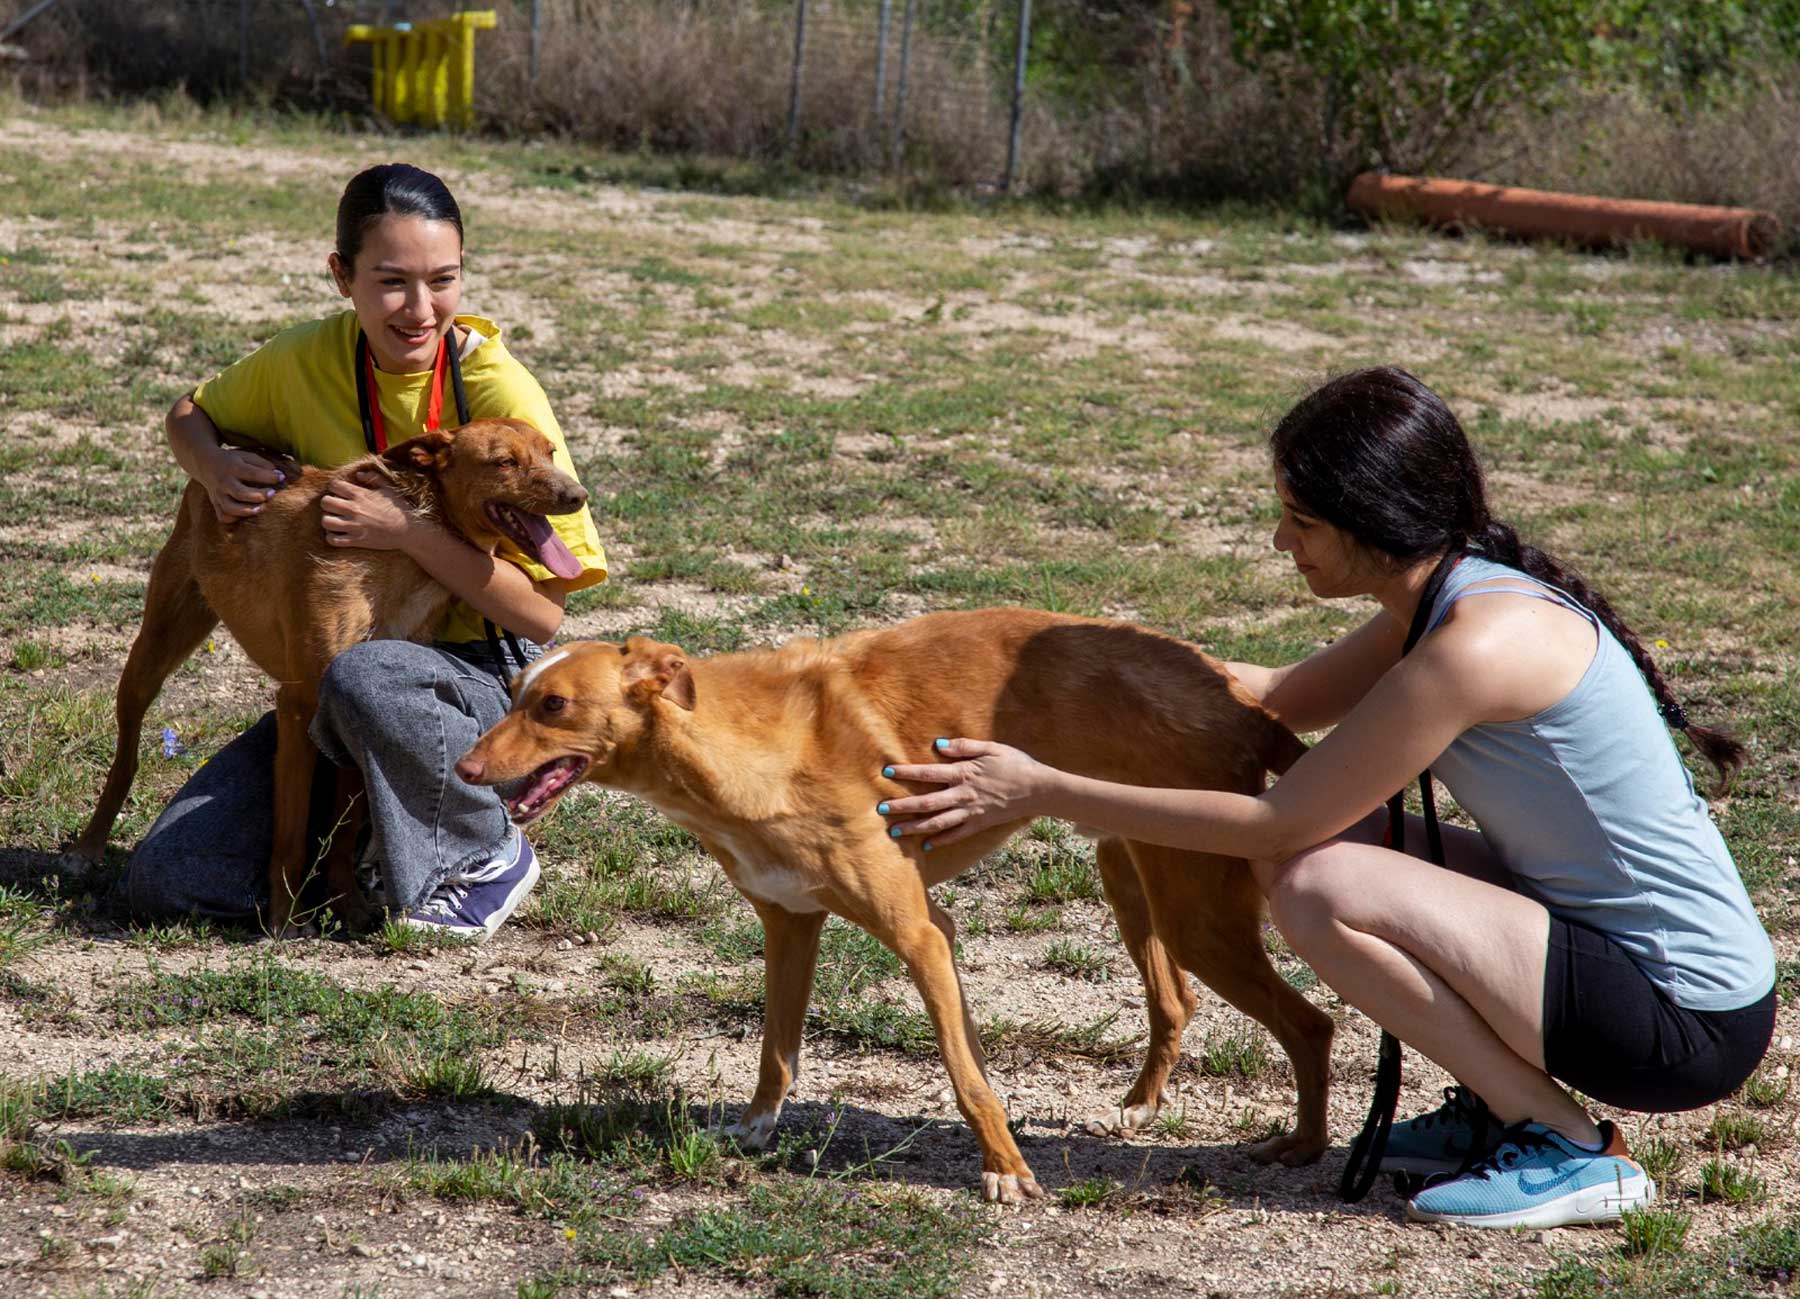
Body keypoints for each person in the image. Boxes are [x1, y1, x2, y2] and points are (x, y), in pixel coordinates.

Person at [877, 366, 1774, 1229]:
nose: (1280, 541)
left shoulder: (1475, 646)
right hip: (1608, 957)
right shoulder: (1440, 599)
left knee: (1314, 878)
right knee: (1325, 849)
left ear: (1374, 520)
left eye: (1299, 520)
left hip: (1681, 1017)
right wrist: (1052, 663)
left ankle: (1571, 1148)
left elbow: (1279, 820)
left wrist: (1043, 788)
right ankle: (1500, 1107)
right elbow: (1271, 697)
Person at [123, 162, 607, 941]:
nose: (420, 309)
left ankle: (484, 849)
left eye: (443, 280)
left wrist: (407, 532)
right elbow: (191, 413)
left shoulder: (497, 388)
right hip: (348, 687)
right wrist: (211, 467)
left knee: (365, 674)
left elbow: (544, 616)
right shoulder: (306, 359)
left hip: (470, 679)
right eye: (392, 282)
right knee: (168, 876)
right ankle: (369, 846)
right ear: (342, 276)